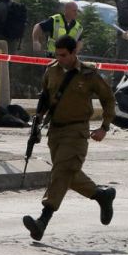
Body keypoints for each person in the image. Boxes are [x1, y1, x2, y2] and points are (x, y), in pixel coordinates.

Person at [22, 35, 117, 241]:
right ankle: (102, 195)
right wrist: (37, 121)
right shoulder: (52, 70)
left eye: (64, 55)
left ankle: (42, 221)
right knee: (67, 174)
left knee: (61, 172)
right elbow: (45, 97)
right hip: (55, 132)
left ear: (74, 53)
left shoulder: (88, 74)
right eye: (57, 55)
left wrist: (104, 127)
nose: (60, 59)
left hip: (77, 132)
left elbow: (108, 99)